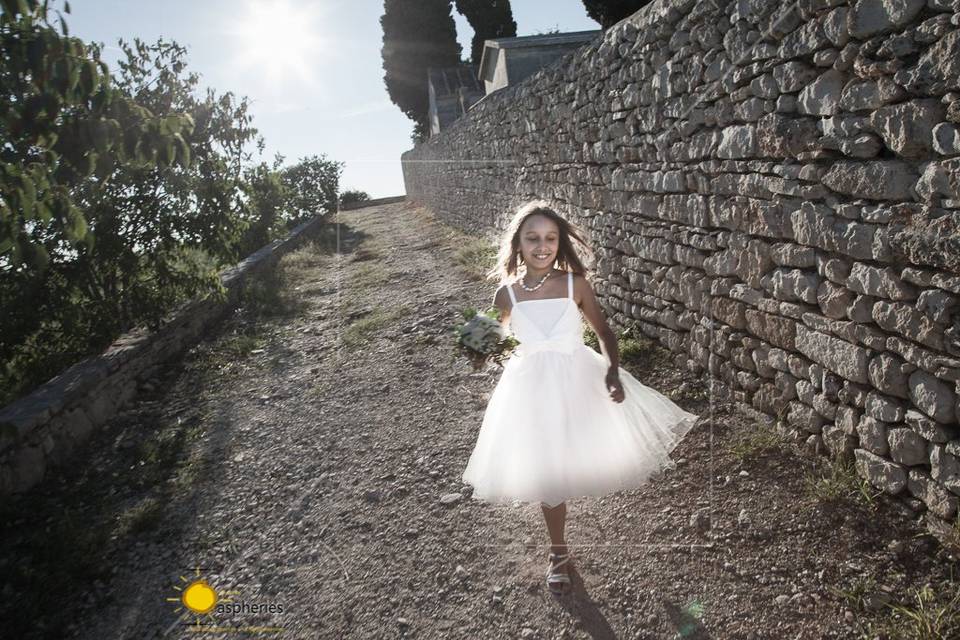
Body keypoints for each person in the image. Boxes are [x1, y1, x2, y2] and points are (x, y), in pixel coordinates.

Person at [461, 200, 700, 596]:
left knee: (594, 450)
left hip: (578, 376)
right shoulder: (507, 295)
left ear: (560, 243)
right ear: (518, 244)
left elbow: (604, 332)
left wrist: (611, 370)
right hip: (530, 388)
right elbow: (489, 346)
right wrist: (474, 344)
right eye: (533, 238)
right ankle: (559, 553)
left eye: (550, 238)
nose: (542, 246)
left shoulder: (576, 284)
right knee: (549, 470)